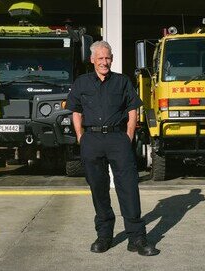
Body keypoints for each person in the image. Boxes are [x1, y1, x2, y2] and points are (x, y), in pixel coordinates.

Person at [66, 40, 159, 256]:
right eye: (100, 58)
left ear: (112, 59)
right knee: (98, 189)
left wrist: (128, 136)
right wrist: (81, 136)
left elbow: (133, 109)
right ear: (92, 60)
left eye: (107, 58)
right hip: (92, 140)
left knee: (128, 187)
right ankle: (104, 236)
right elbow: (76, 111)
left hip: (118, 138)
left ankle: (136, 238)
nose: (104, 62)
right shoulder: (82, 83)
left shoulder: (122, 82)